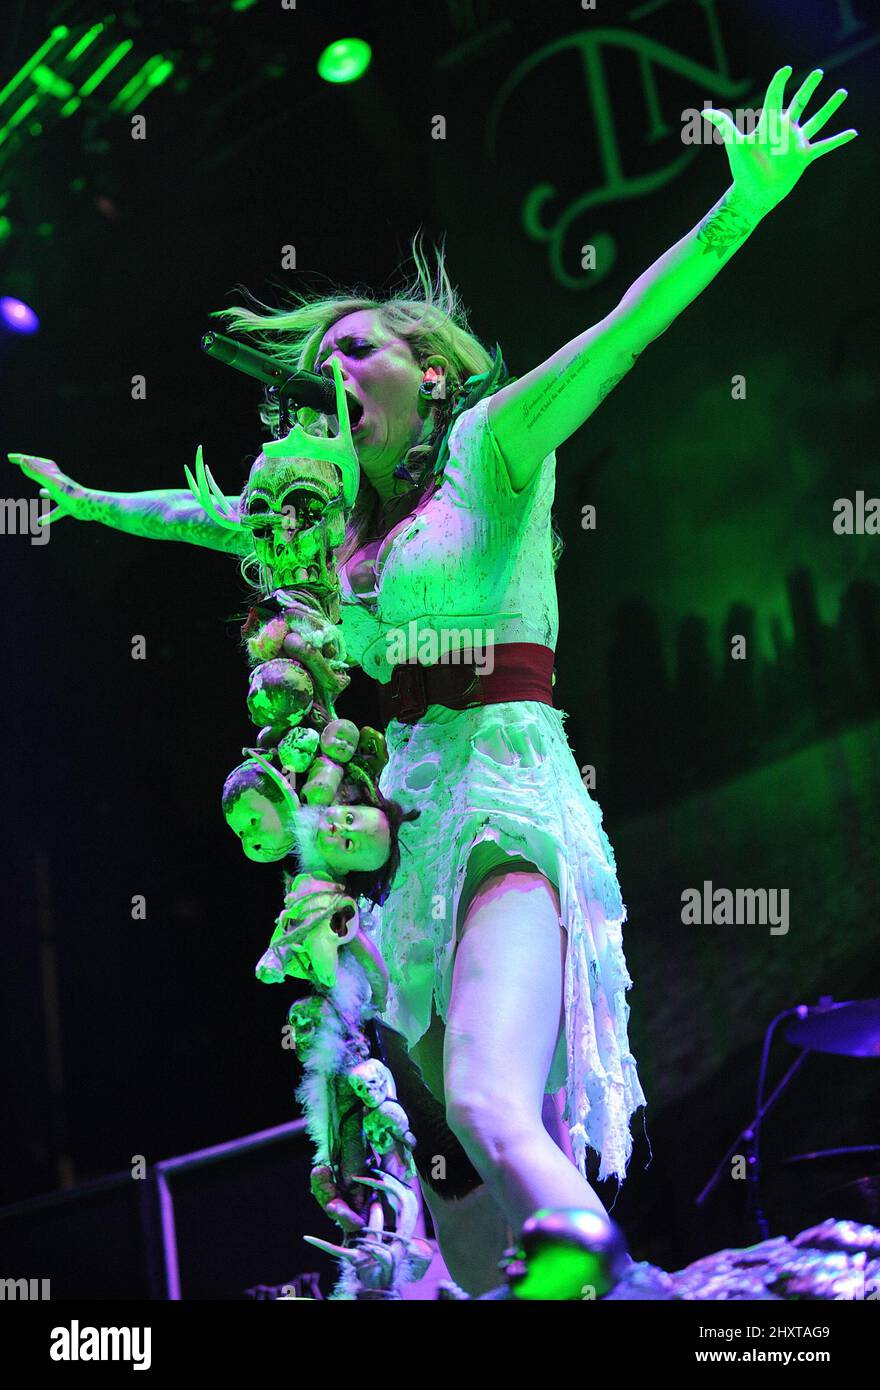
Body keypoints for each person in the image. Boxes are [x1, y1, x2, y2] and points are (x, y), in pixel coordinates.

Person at [9, 66, 856, 1295]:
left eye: (357, 350)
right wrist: (86, 506)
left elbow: (623, 326)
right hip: (401, 830)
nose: (333, 375)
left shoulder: (492, 452)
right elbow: (209, 519)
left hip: (506, 794)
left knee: (488, 1100)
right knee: (452, 1173)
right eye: (320, 367)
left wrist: (745, 201)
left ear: (433, 371)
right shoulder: (331, 537)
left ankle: (594, 1260)